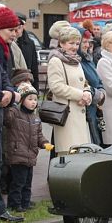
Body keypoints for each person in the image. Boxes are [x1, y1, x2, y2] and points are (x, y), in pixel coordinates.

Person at [0, 6, 23, 222]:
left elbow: (4, 76)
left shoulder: (2, 49)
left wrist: (10, 93)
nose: (15, 33)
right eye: (11, 29)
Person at [4, 83, 52, 212]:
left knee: (27, 181)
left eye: (35, 99)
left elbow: (39, 135)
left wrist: (45, 143)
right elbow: (7, 120)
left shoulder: (35, 118)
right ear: (22, 100)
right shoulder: (15, 113)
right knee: (18, 182)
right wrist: (13, 105)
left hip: (31, 155)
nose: (33, 102)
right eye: (29, 99)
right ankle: (14, 204)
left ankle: (25, 202)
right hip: (18, 153)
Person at [47, 27, 92, 155]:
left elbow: (84, 82)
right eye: (71, 43)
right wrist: (80, 95)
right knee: (68, 155)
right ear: (61, 43)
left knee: (80, 155)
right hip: (66, 115)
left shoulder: (76, 61)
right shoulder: (56, 61)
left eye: (77, 43)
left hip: (80, 114)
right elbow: (56, 87)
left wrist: (87, 92)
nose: (75, 47)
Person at [77, 27, 106, 146]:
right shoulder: (77, 61)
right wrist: (97, 93)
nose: (87, 45)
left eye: (88, 42)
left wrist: (101, 93)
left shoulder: (87, 59)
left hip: (92, 110)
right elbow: (81, 86)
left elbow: (98, 81)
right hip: (82, 112)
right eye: (84, 42)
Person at [15, 12, 39, 90]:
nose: (17, 30)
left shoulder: (29, 43)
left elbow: (34, 68)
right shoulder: (9, 41)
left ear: (24, 26)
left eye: (20, 26)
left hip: (27, 83)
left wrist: (36, 90)